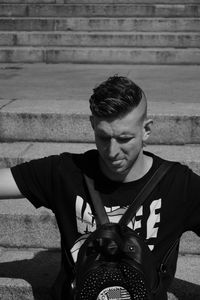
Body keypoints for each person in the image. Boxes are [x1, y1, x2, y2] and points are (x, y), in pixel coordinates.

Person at [0, 75, 200, 299]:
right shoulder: (65, 172)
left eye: (125, 138)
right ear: (92, 124)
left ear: (146, 130)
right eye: (103, 137)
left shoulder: (178, 184)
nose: (113, 152)